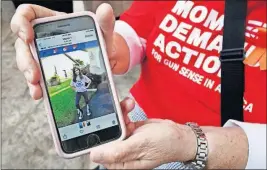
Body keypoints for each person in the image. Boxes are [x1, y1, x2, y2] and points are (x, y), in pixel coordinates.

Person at [10, 1, 266, 169]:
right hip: (132, 120)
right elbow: (135, 30)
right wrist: (99, 47)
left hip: (229, 152)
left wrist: (194, 144)